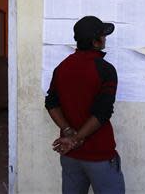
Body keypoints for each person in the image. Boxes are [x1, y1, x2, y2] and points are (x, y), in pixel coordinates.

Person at [45, 16, 125, 194]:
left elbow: (51, 102)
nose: (105, 38)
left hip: (70, 156)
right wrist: (75, 139)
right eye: (103, 35)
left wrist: (68, 132)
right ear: (95, 42)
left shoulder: (62, 68)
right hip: (99, 155)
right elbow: (102, 112)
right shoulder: (105, 69)